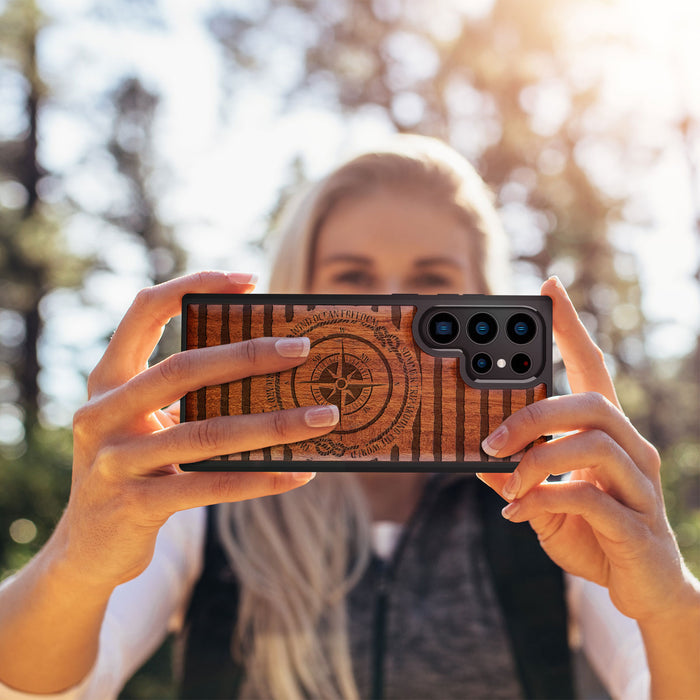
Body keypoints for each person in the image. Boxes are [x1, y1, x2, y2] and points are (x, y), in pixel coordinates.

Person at [0, 135, 698, 700]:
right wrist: (77, 559)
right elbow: (40, 686)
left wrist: (669, 603)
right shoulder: (203, 493)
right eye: (352, 279)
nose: (388, 307)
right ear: (295, 296)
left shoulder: (551, 497)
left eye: (430, 281)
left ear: (483, 302)